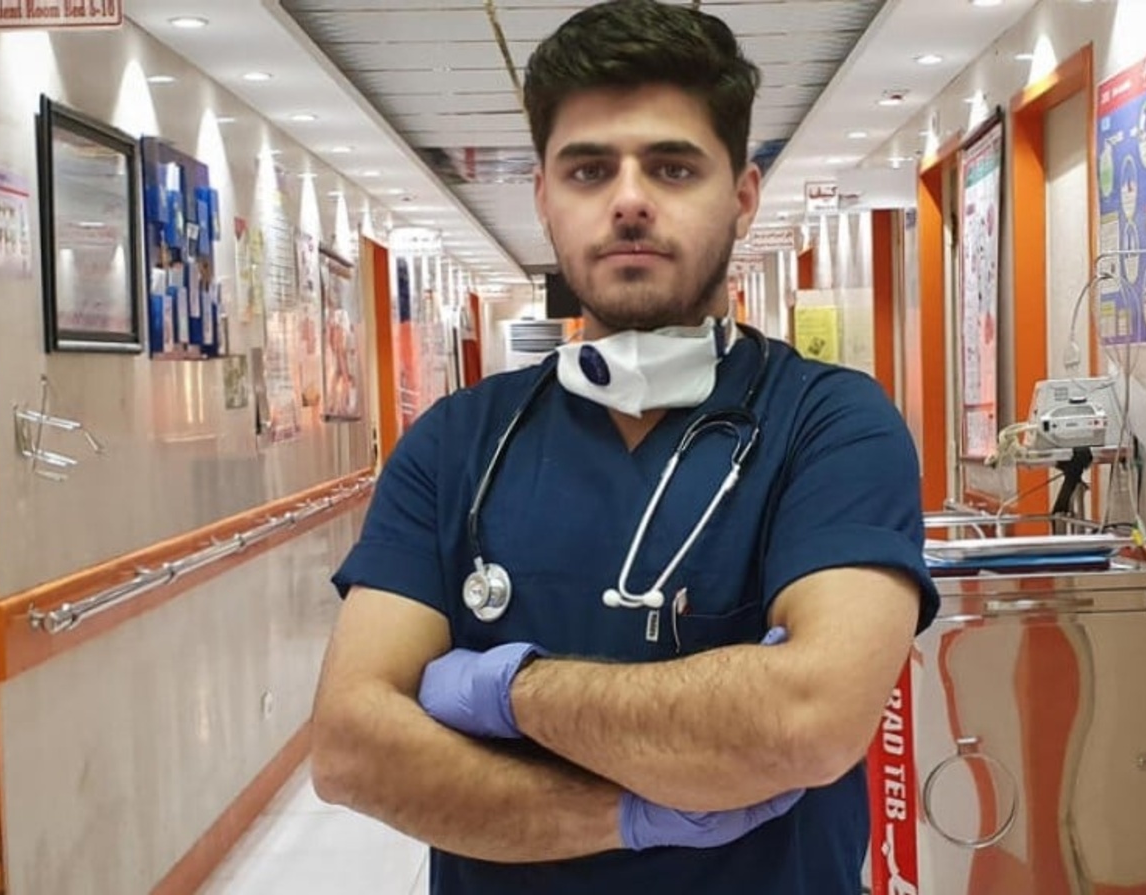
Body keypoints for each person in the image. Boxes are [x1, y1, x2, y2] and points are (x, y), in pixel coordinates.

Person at [308, 1, 939, 892]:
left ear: (743, 195)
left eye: (674, 166)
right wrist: (631, 814)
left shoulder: (830, 424)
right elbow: (352, 748)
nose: (630, 199)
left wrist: (499, 691)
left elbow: (808, 718)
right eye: (589, 168)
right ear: (543, 198)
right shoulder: (456, 443)